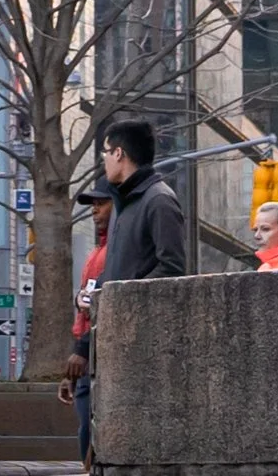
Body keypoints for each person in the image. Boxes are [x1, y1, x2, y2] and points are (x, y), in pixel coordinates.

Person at [60, 120, 187, 419]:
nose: (103, 159)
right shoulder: (123, 203)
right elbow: (118, 270)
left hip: (140, 341)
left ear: (119, 153)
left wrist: (120, 297)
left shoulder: (159, 200)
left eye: (105, 152)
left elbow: (172, 268)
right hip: (112, 337)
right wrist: (91, 295)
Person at [57, 185, 113, 462]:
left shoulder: (113, 252)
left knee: (91, 439)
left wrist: (80, 350)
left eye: (102, 204)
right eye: (93, 204)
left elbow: (98, 311)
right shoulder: (96, 252)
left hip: (97, 355)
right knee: (85, 433)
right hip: (86, 356)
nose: (94, 210)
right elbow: (84, 313)